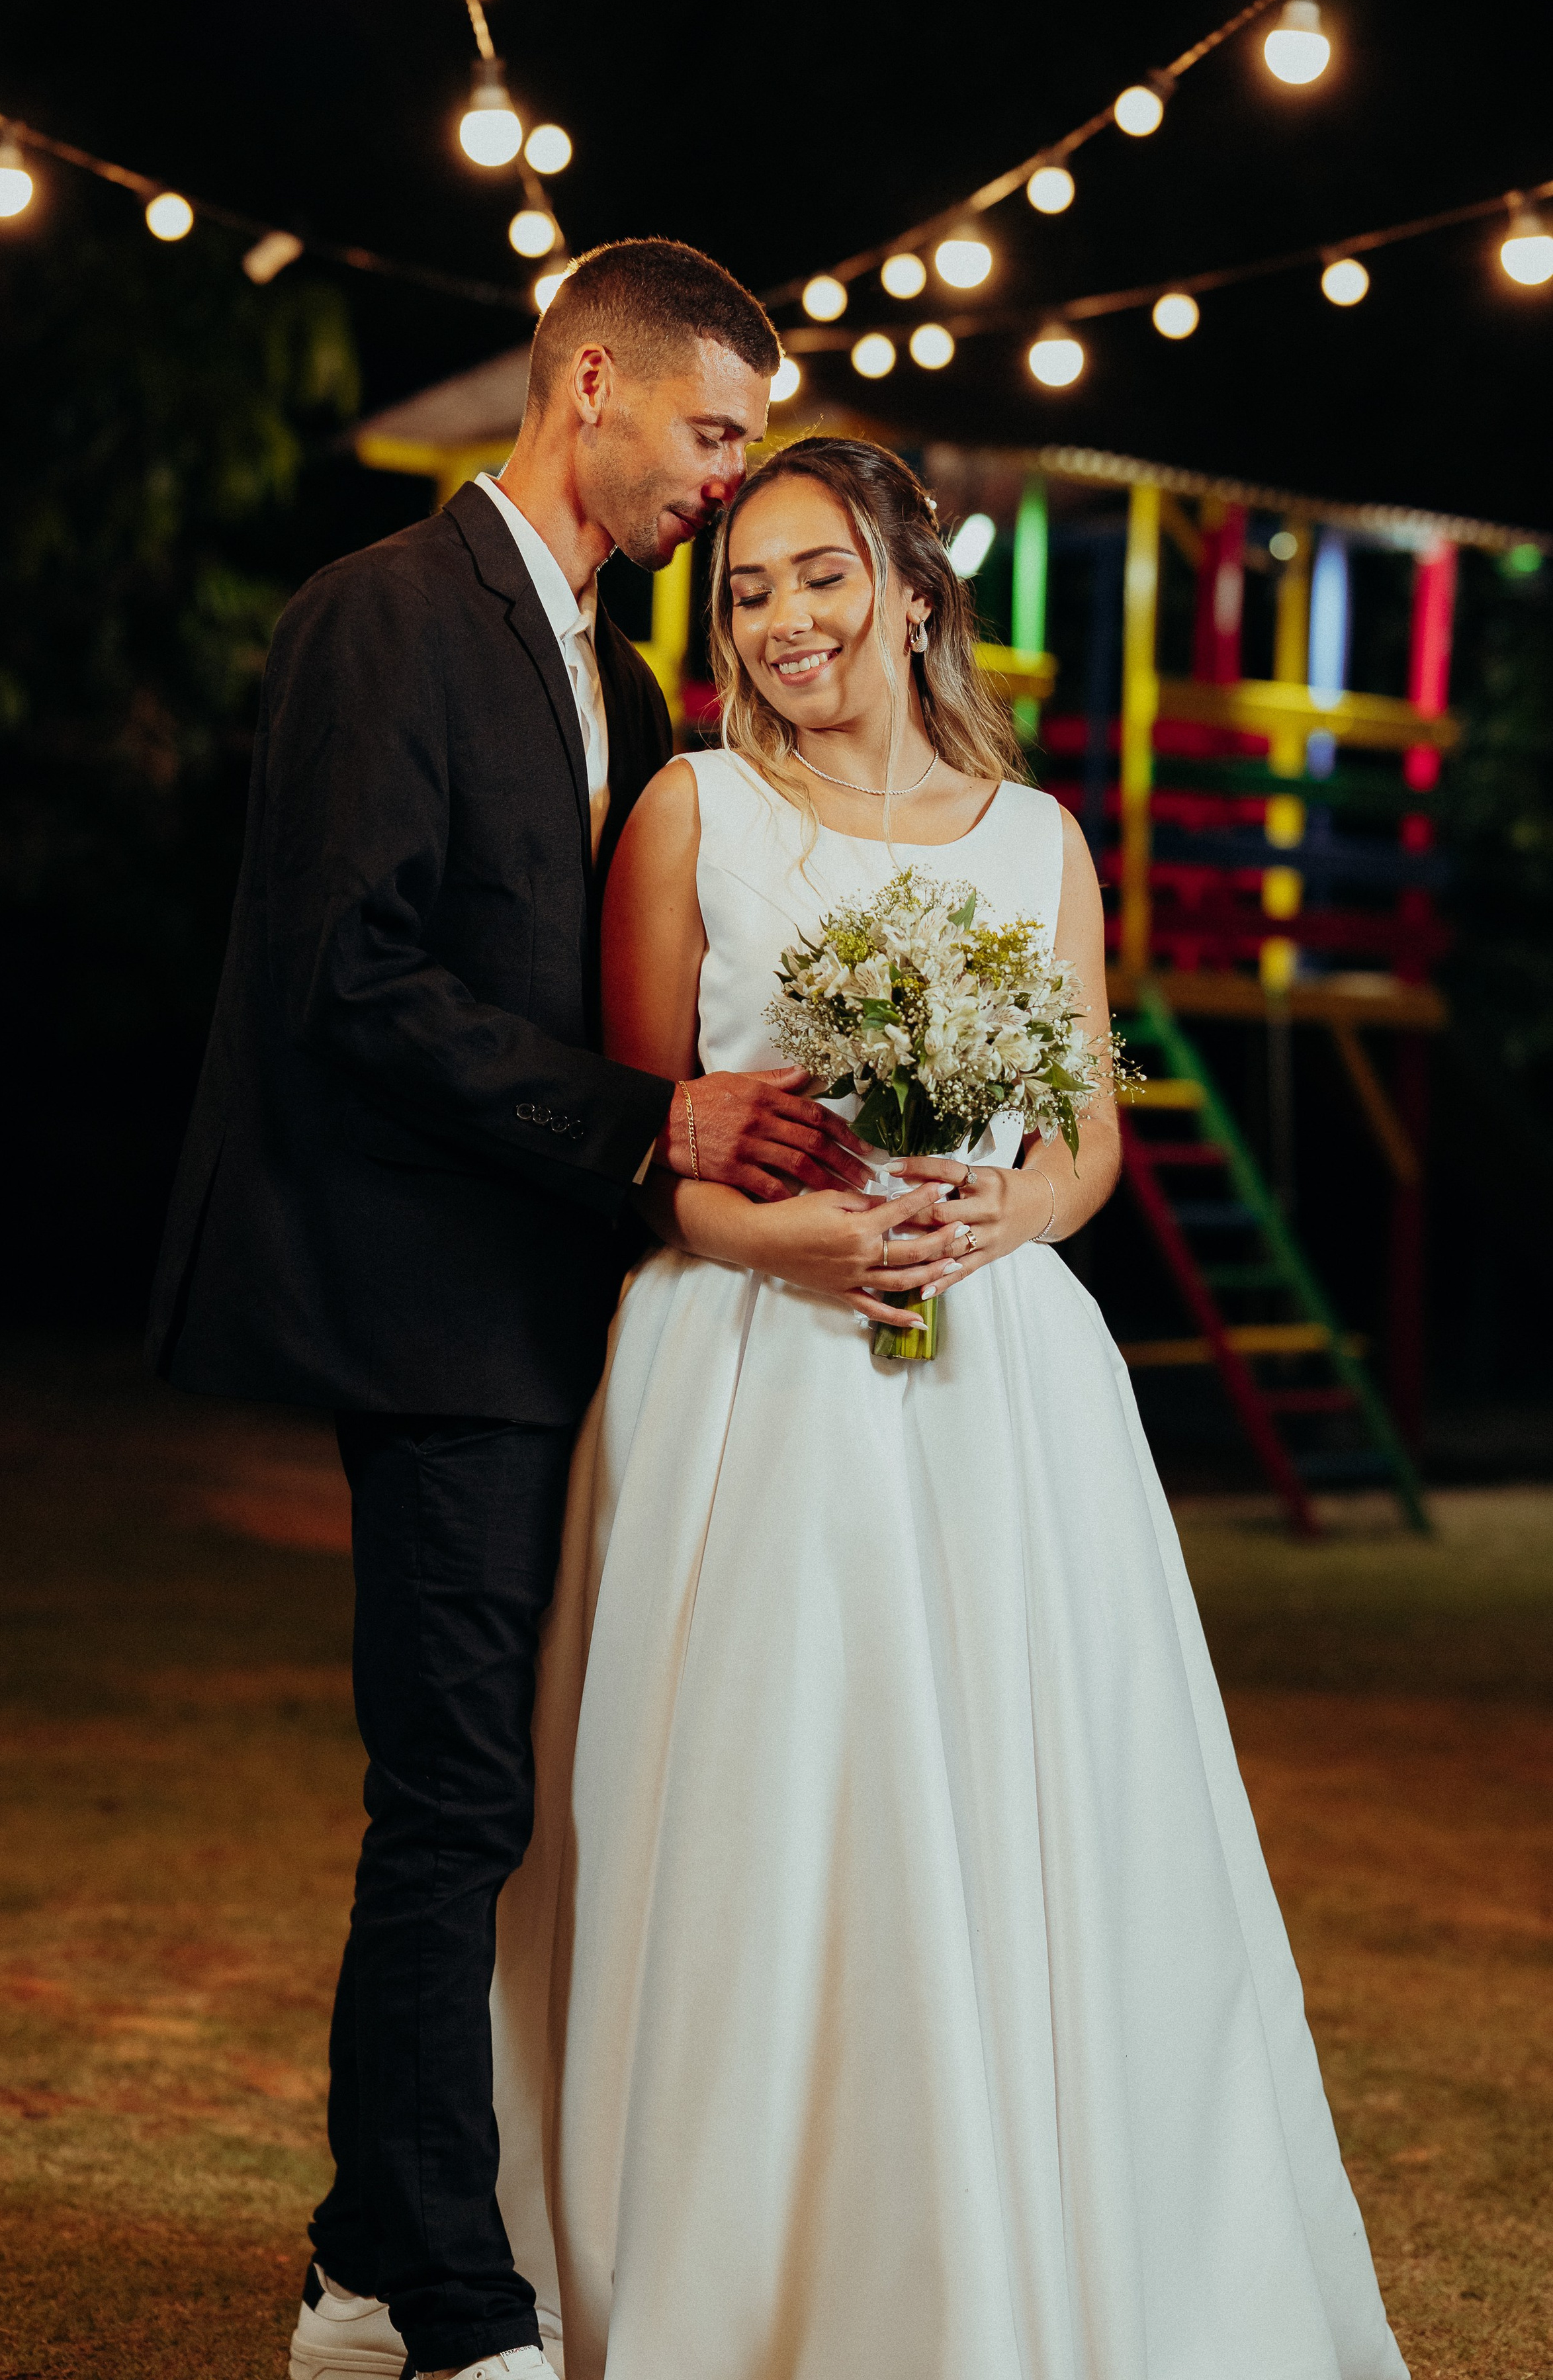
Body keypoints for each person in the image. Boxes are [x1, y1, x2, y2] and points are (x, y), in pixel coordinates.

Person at [487, 436, 1410, 2380]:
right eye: (744, 589)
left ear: (913, 589)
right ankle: (733, 2258)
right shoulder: (691, 812)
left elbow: (1087, 1125)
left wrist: (1014, 1209)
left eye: (819, 576)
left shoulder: (1037, 837)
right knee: (773, 1807)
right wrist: (781, 1241)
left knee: (1018, 1811)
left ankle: (1026, 2244)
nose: (782, 620)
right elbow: (644, 1140)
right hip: (749, 1375)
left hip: (1003, 1390)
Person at [145, 244, 901, 2380]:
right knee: (457, 1799)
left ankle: (365, 2265)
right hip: (428, 1311)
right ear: (592, 385)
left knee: (521, 1792)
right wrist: (656, 1121)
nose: (730, 479)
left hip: (575, 1317)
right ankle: (461, 2309)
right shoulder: (383, 613)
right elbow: (354, 982)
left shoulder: (621, 672)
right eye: (717, 430)